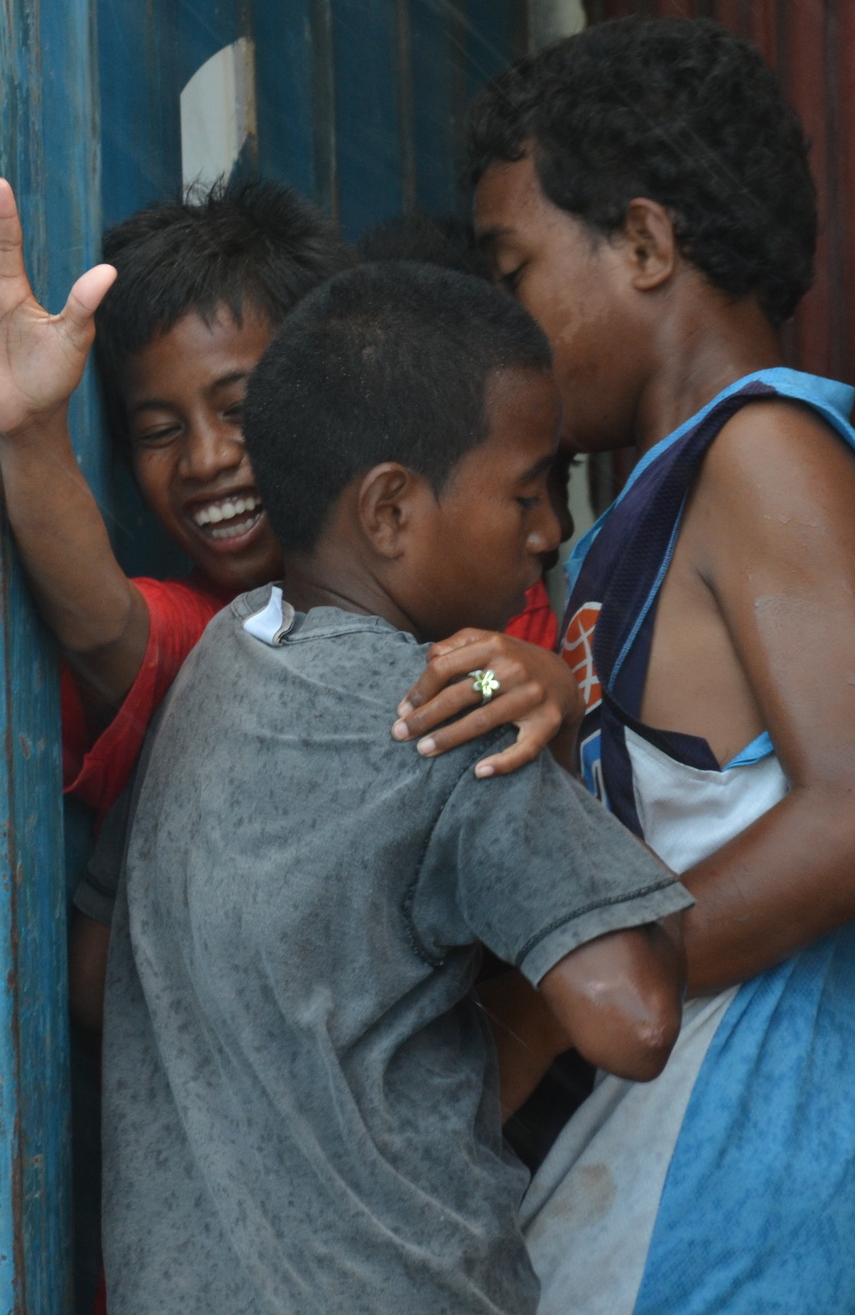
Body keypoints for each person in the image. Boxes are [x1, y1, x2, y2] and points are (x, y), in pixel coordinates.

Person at [68, 262, 693, 1315]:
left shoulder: (225, 657)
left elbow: (97, 969)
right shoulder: (455, 725)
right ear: (392, 511)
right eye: (525, 490)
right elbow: (632, 1019)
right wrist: (566, 731)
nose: (547, 531)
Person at [461, 16, 855, 1312]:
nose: (501, 339)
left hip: (771, 1211)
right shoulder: (645, 508)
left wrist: (619, 973)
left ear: (643, 242)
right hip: (695, 1202)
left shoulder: (767, 454)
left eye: (514, 276)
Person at [0, 178, 577, 814]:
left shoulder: (479, 577)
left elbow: (473, 690)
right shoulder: (221, 632)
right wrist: (29, 429)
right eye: (161, 430)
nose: (206, 460)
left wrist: (542, 684)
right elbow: (106, 628)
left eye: (239, 410)